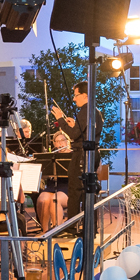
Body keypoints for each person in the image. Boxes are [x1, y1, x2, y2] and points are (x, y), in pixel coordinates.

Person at [51, 81, 90, 222]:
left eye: (76, 95)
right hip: (85, 155)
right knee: (81, 192)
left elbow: (73, 135)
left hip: (80, 155)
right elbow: (80, 133)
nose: (74, 99)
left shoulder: (85, 111)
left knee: (74, 192)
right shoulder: (92, 111)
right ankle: (80, 225)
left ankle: (72, 225)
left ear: (85, 96)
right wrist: (74, 126)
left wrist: (60, 120)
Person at [34, 130, 71, 234]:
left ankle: (57, 230)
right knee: (43, 199)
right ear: (54, 144)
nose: (60, 144)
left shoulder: (74, 155)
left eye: (62, 140)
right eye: (57, 141)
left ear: (67, 142)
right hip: (52, 185)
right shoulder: (51, 156)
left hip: (68, 186)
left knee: (55, 199)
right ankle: (45, 231)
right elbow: (45, 175)